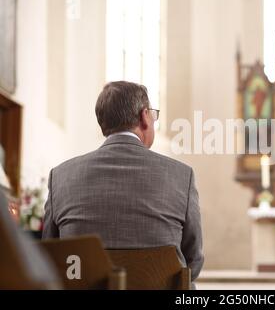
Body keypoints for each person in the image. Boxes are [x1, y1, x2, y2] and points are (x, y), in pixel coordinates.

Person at [43, 81, 204, 283]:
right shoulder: (182, 175)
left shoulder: (60, 176)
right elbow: (193, 262)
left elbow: (50, 257)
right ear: (145, 117)